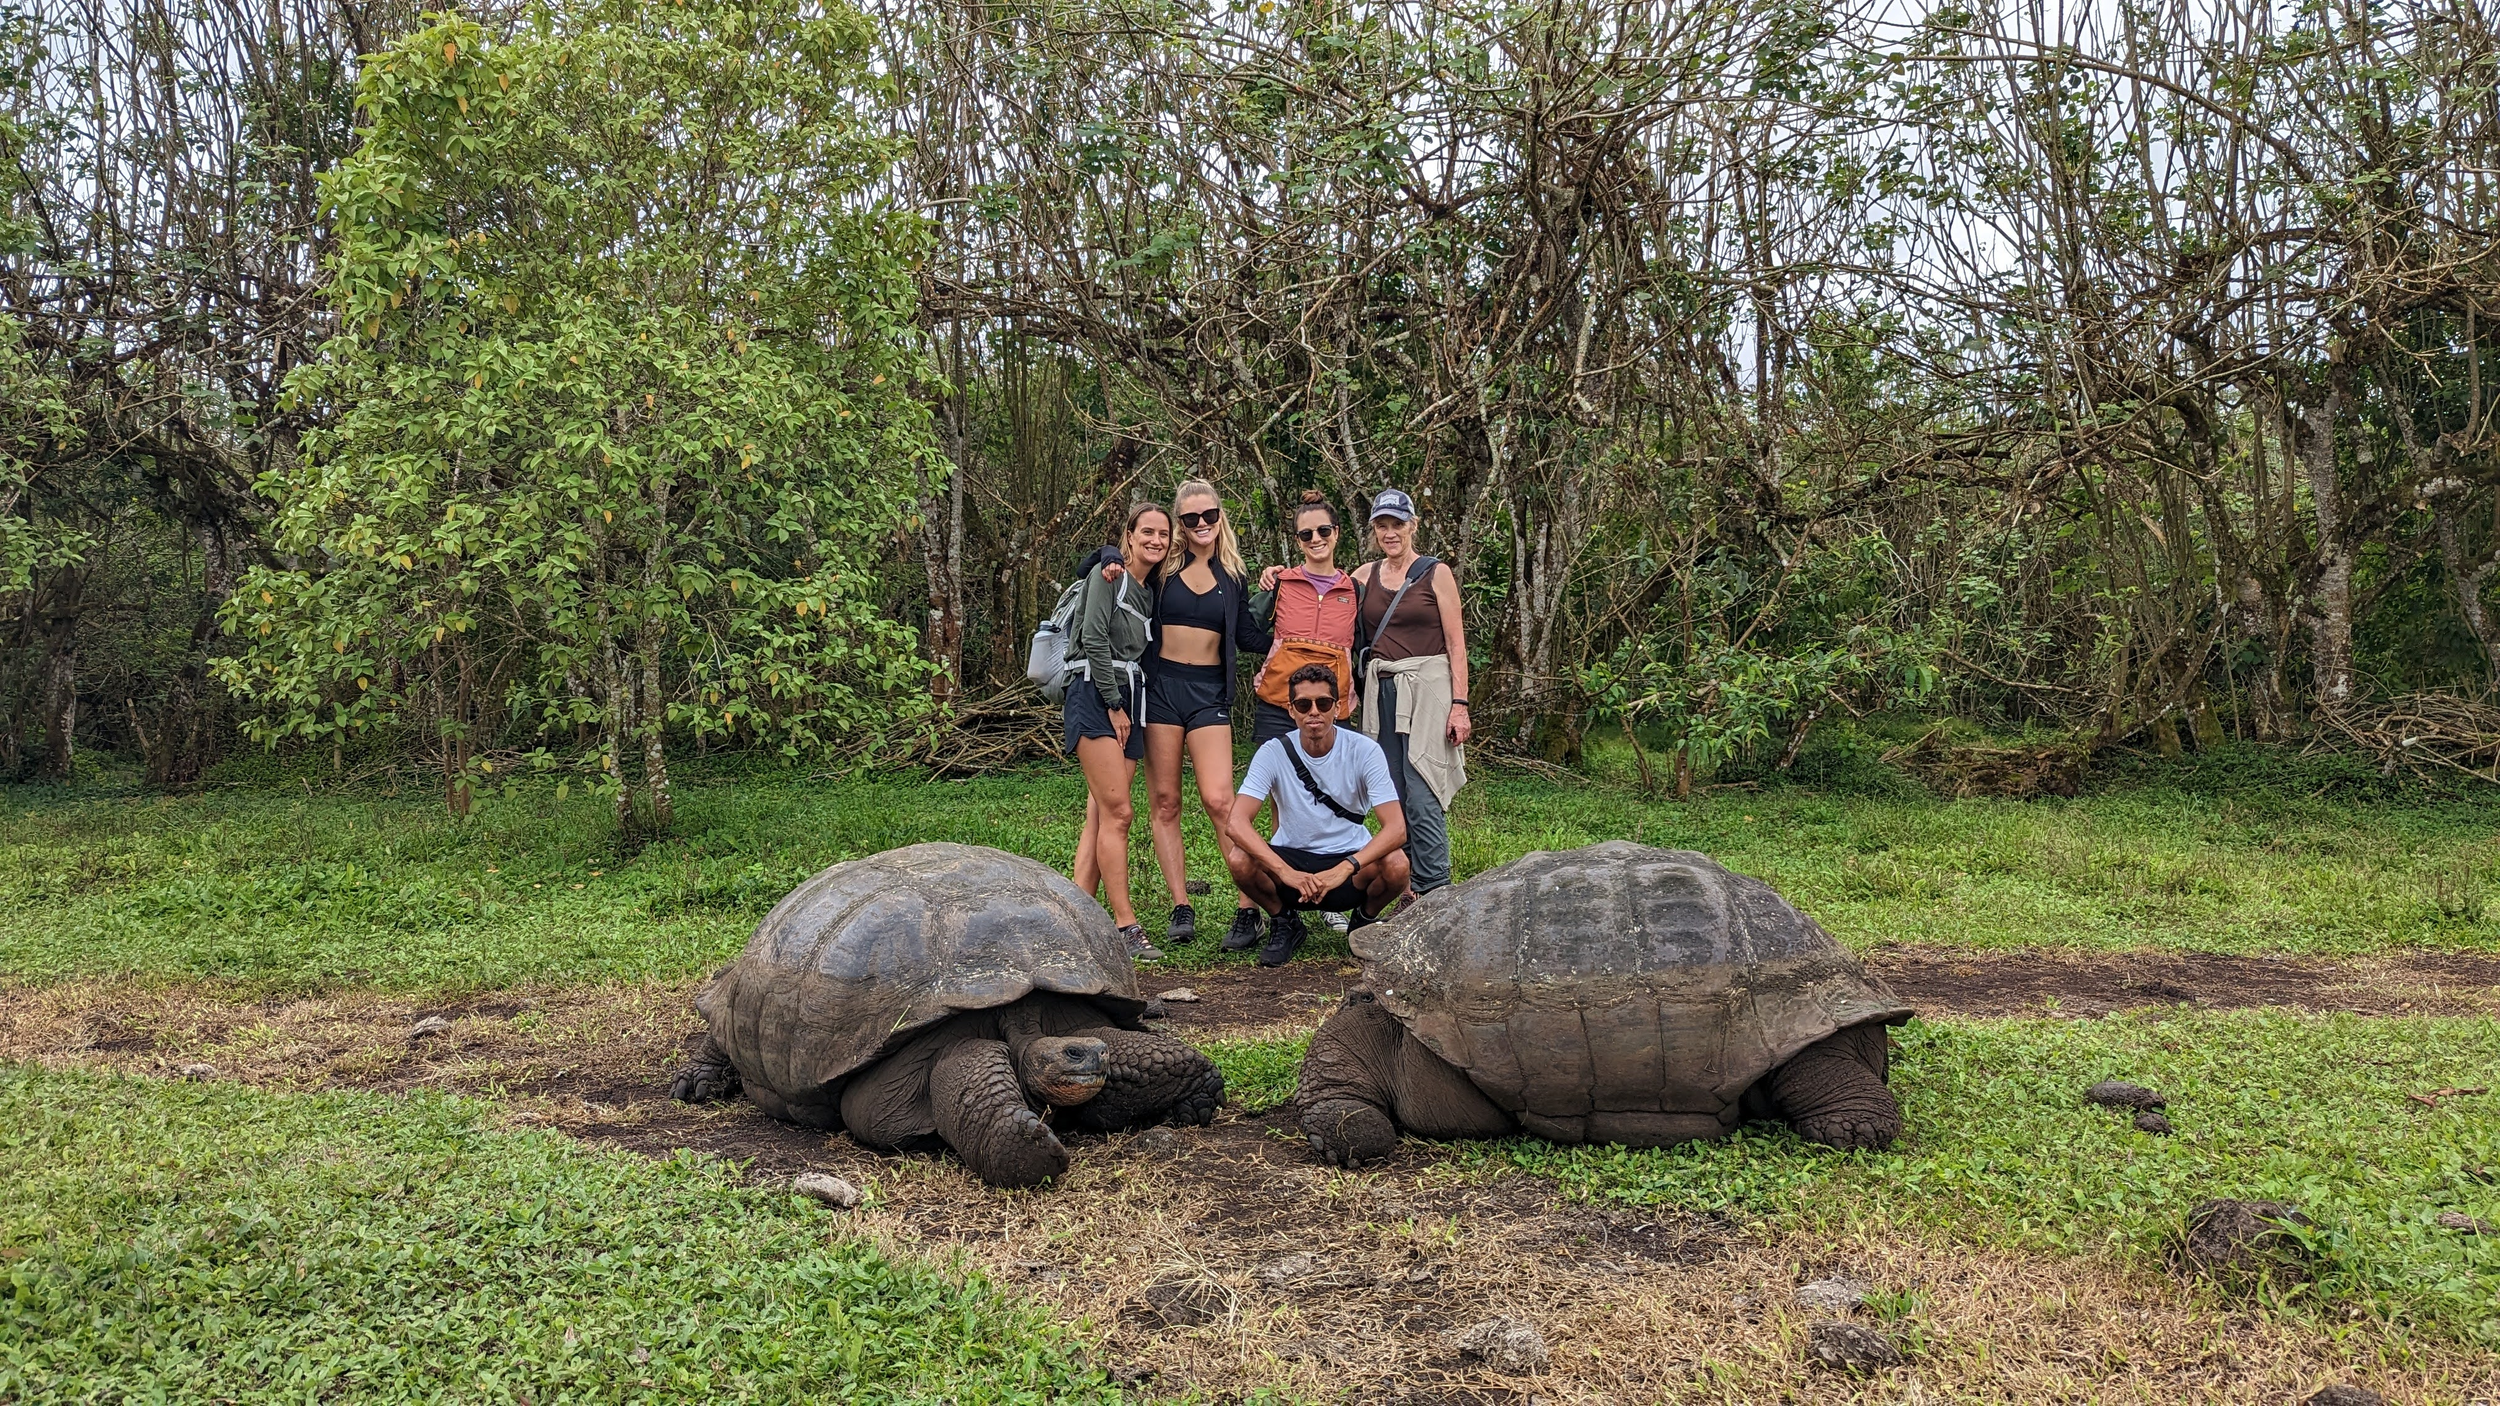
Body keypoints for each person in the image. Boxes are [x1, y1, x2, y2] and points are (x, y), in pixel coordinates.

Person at [1230, 488, 1361, 955]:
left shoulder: (1355, 588)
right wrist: (1263, 584)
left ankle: (1326, 889)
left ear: (1337, 534)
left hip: (1331, 706)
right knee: (1270, 800)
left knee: (1336, 795)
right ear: (1297, 539)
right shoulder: (1282, 581)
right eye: (1306, 534)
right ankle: (1251, 909)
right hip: (1279, 702)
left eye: (1323, 530)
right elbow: (1246, 629)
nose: (1315, 539)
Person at [1141, 480, 1270, 950]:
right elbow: (1104, 563)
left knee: (1220, 800)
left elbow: (1250, 637)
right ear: (1179, 523)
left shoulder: (1233, 576)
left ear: (1220, 517)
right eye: (1191, 519)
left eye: (1209, 516)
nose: (1201, 526)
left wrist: (1286, 609)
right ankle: (1181, 905)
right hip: (1161, 691)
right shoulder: (1162, 570)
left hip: (1209, 692)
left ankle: (1247, 906)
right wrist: (1108, 561)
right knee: (1166, 801)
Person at [1224, 663, 1409, 967]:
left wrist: (1346, 867)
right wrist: (1284, 871)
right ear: (1291, 710)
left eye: (1323, 703)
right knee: (1239, 859)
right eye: (1303, 704)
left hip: (1349, 866)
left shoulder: (1364, 750)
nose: (1314, 712)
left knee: (1398, 864)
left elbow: (1397, 829)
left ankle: (1363, 921)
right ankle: (1284, 922)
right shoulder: (1273, 751)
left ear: (1337, 708)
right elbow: (1236, 823)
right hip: (1292, 864)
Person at [1352, 488, 1468, 898]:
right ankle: (1405, 891)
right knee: (1390, 792)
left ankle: (1435, 888)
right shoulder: (1364, 576)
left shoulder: (1437, 573)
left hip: (1428, 692)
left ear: (1412, 526)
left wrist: (1460, 705)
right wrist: (1276, 576)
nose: (1389, 532)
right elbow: (1324, 597)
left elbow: (1456, 643)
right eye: (1382, 525)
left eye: (1397, 524)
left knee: (1423, 788)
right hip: (1381, 694)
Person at [1067, 500, 1171, 960]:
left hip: (1134, 695)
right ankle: (1125, 926)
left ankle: (1075, 917)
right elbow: (1091, 639)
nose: (1155, 540)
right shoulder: (1107, 576)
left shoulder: (1151, 590)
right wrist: (1113, 704)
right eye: (1145, 532)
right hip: (1097, 693)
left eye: (1163, 534)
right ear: (1128, 536)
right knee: (1120, 814)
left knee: (1101, 815)